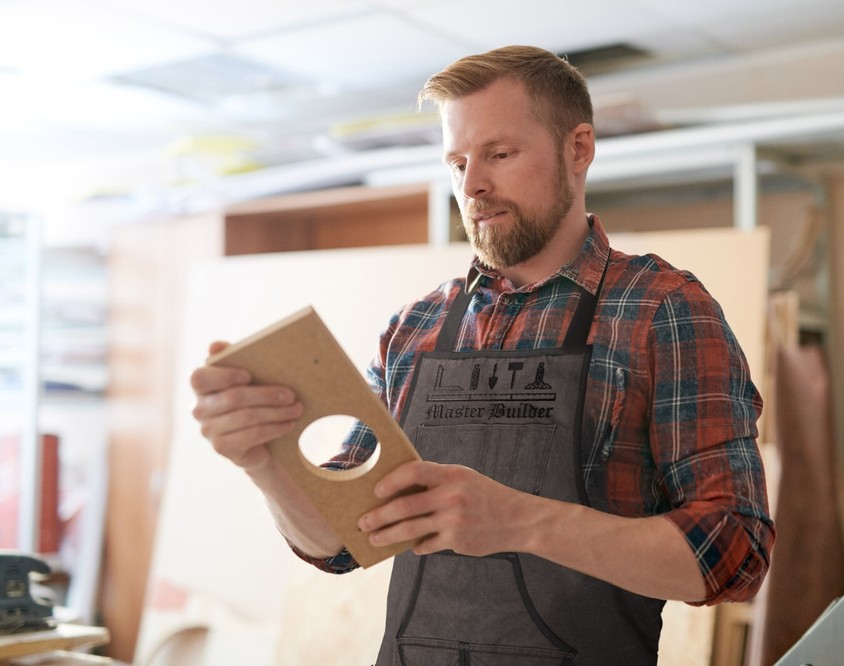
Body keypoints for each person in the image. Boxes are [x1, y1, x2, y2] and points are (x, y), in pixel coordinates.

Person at [191, 45, 774, 664]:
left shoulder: (662, 311)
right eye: (457, 162)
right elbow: (340, 541)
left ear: (578, 150)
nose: (472, 186)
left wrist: (522, 522)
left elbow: (732, 553)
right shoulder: (415, 328)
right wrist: (262, 464)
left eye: (499, 154)